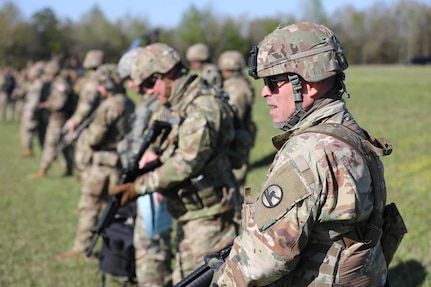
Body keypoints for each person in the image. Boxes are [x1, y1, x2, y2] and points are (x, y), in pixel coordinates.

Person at [210, 22, 390, 286]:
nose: (264, 92)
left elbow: (263, 262)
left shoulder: (308, 152)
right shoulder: (349, 131)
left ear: (310, 84)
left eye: (273, 82)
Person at [110, 42, 239, 284]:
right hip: (188, 211)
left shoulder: (203, 107)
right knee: (185, 278)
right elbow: (158, 141)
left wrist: (139, 186)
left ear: (168, 73)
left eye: (150, 83)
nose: (147, 91)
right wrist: (150, 155)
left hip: (211, 217)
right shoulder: (171, 105)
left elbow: (186, 162)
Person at [56, 63, 135, 259]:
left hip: (101, 165)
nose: (99, 89)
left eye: (101, 84)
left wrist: (84, 134)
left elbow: (94, 139)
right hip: (119, 163)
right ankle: (115, 250)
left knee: (89, 206)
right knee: (115, 210)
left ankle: (80, 248)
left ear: (108, 85)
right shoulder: (129, 102)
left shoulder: (108, 106)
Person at [116, 47, 173, 287]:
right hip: (144, 180)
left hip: (156, 183)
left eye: (131, 78)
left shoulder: (160, 102)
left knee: (152, 244)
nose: (130, 85)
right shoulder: (148, 102)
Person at [218, 50, 257, 197]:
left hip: (236, 140)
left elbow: (233, 117)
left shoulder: (237, 88)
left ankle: (239, 215)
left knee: (235, 181)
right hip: (238, 136)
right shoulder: (240, 84)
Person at [29, 60, 75, 178]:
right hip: (62, 118)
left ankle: (43, 170)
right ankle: (69, 169)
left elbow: (59, 103)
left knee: (50, 143)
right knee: (65, 144)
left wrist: (46, 104)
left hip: (58, 118)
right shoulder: (60, 82)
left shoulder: (60, 84)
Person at [64, 49, 104, 180]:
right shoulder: (110, 81)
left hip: (90, 127)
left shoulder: (92, 83)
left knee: (83, 161)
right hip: (105, 127)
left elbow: (84, 107)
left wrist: (73, 121)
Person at [19, 61, 45, 158]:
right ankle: (29, 150)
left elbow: (35, 99)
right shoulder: (34, 83)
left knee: (30, 131)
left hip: (33, 112)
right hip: (32, 110)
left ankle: (31, 151)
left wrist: (30, 111)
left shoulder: (37, 85)